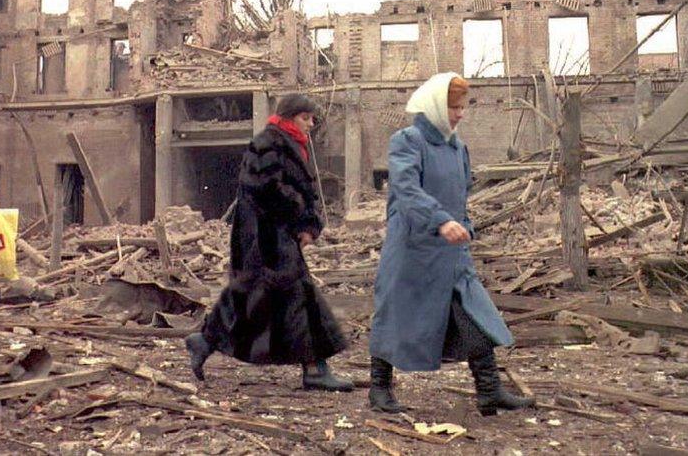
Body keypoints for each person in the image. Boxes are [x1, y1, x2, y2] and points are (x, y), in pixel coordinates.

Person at [368, 73, 534, 416]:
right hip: (413, 246)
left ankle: (489, 390)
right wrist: (440, 220)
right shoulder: (408, 141)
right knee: (395, 313)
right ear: (434, 107)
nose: (460, 114)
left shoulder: (458, 147)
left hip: (452, 249)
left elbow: (461, 197)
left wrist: (463, 226)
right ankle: (379, 389)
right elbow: (406, 190)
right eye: (453, 107)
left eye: (462, 107)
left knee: (474, 312)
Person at [185, 94, 353, 392]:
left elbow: (298, 190)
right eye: (306, 118)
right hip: (264, 238)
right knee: (298, 295)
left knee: (254, 296)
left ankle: (206, 340)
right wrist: (300, 220)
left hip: (274, 236)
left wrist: (309, 224)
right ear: (289, 117)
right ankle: (314, 368)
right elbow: (268, 190)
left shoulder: (289, 144)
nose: (311, 124)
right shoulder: (267, 143)